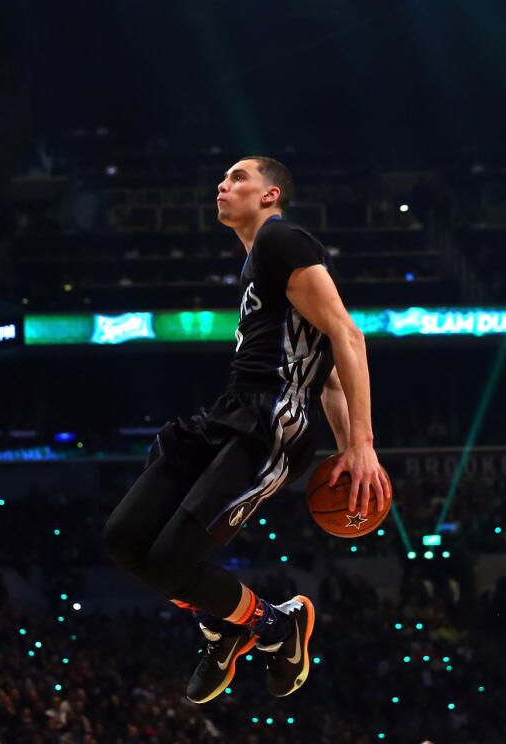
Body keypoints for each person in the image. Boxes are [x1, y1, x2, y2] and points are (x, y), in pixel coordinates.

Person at [102, 156, 389, 703]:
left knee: (168, 561)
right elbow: (327, 378)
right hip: (231, 411)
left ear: (270, 195)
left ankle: (278, 630)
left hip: (270, 422)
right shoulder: (260, 260)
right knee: (122, 539)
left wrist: (361, 445)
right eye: (223, 177)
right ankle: (238, 622)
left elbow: (350, 336)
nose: (222, 184)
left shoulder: (285, 242)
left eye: (238, 178)